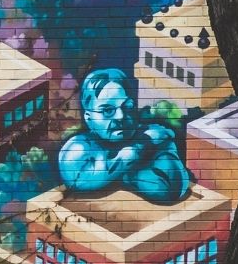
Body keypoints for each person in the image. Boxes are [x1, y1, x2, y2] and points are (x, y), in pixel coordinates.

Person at [57, 69, 192, 204]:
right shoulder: (79, 148)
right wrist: (139, 148)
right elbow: (77, 180)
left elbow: (171, 188)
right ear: (89, 118)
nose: (120, 116)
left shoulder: (151, 134)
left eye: (127, 107)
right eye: (108, 111)